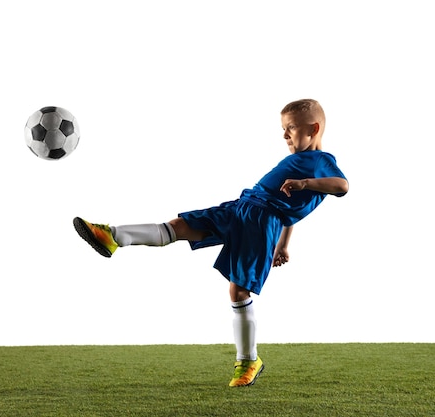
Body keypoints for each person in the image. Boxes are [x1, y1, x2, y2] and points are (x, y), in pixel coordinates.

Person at [73, 98, 348, 387]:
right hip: (241, 207)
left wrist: (305, 184)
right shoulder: (297, 161)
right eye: (283, 128)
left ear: (313, 129)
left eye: (290, 128)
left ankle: (248, 360)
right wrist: (284, 245)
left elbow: (342, 186)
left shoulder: (322, 161)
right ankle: (113, 235)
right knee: (181, 225)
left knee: (238, 290)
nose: (284, 135)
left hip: (262, 222)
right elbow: (291, 212)